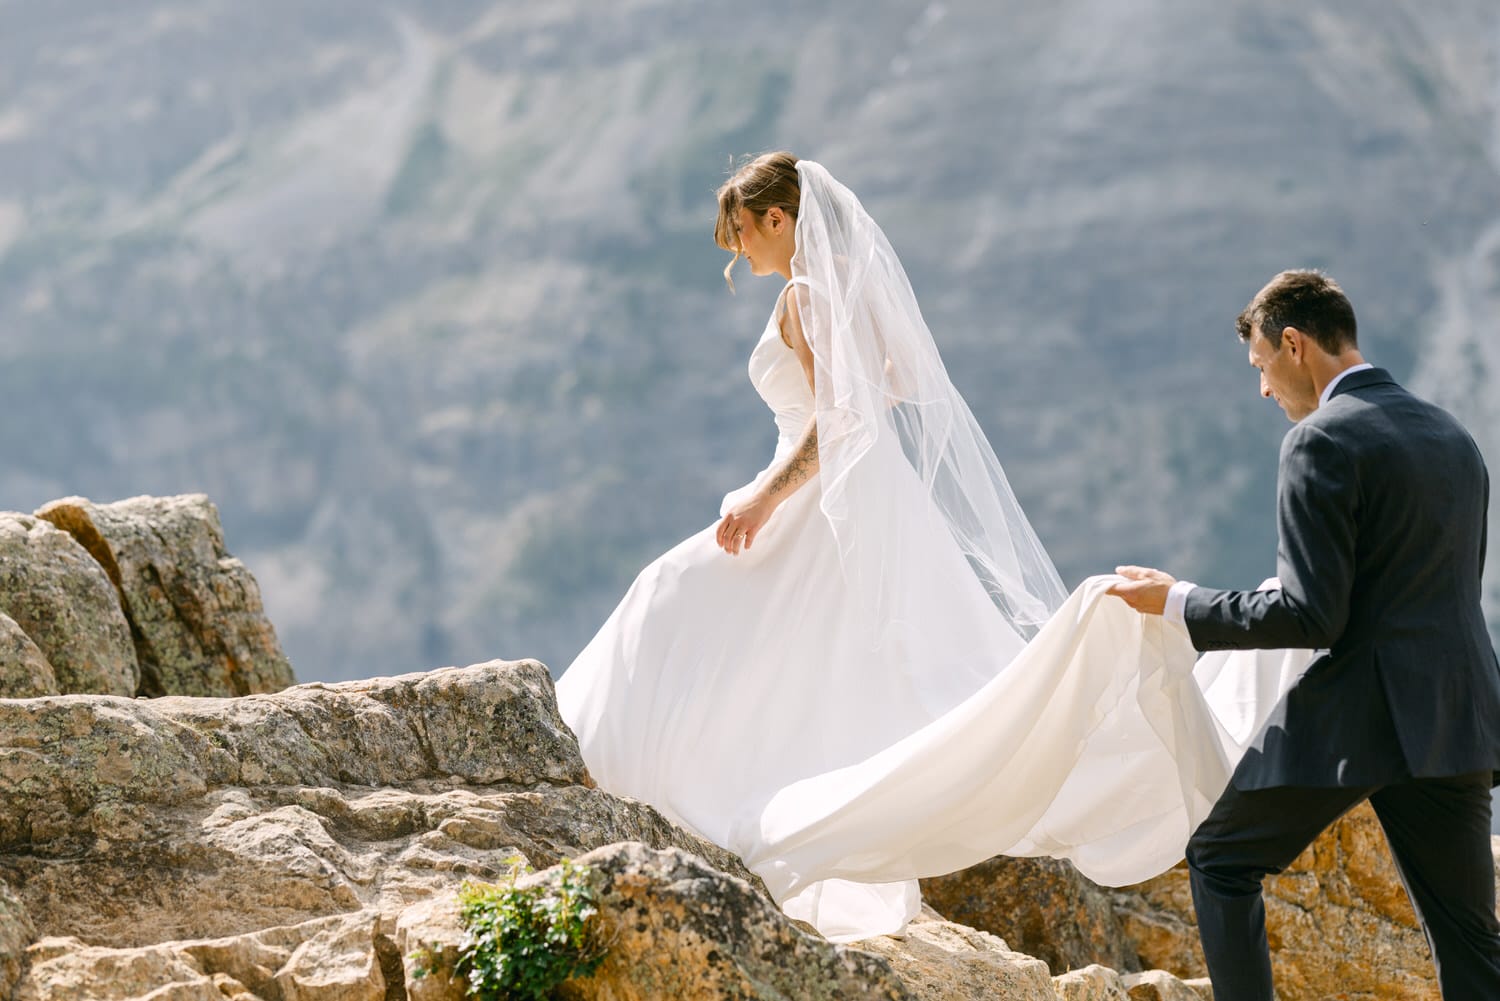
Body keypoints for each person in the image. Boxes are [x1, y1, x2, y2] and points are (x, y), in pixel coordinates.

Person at [556, 151, 1070, 939]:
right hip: (852, 499)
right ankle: (680, 789)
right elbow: (889, 381)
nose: (736, 251)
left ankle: (603, 773)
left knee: (668, 594)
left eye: (741, 230)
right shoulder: (843, 293)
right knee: (781, 658)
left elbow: (837, 420)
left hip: (811, 502)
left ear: (778, 218)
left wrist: (764, 498)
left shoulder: (804, 296)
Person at [1109, 270, 1500, 1000]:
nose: (1264, 390)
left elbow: (1311, 614)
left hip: (1364, 714)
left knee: (1221, 859)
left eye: (1261, 366)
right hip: (1461, 716)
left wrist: (1177, 601)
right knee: (1472, 945)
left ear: (1293, 344)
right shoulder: (1455, 437)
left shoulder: (1319, 440)